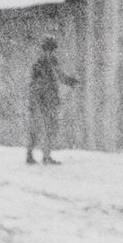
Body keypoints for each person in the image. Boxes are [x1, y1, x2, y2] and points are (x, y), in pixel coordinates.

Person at [26, 37, 78, 165]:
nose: (51, 53)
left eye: (52, 50)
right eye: (51, 50)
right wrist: (69, 81)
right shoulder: (45, 63)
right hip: (44, 98)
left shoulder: (40, 63)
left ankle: (35, 154)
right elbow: (57, 76)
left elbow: (54, 77)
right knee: (48, 127)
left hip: (42, 98)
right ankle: (42, 156)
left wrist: (69, 81)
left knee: (40, 127)